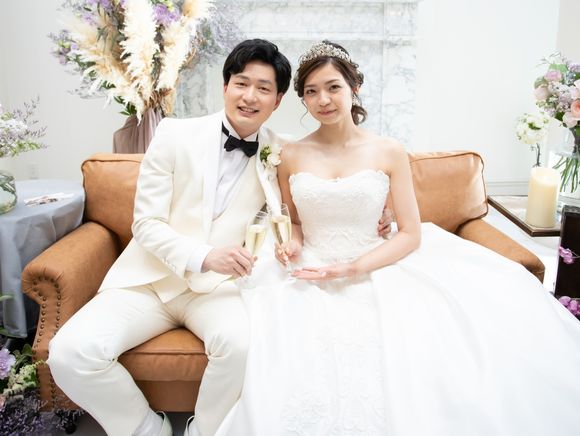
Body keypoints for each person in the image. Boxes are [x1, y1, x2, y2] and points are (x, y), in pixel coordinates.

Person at [214, 40, 580, 436]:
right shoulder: (290, 154)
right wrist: (294, 243)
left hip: (376, 263)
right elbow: (296, 221)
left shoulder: (388, 151)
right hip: (310, 269)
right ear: (301, 99)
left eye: (333, 87)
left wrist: (353, 267)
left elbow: (410, 233)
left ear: (354, 87)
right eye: (312, 91)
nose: (323, 100)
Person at [47, 39, 292, 436]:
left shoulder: (279, 152)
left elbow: (296, 209)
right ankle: (147, 430)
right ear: (225, 86)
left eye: (263, 88)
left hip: (219, 289)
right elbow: (146, 224)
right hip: (149, 281)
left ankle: (205, 432)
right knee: (69, 354)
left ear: (277, 100)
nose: (250, 96)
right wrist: (204, 255)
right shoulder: (174, 134)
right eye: (241, 83)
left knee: (242, 347)